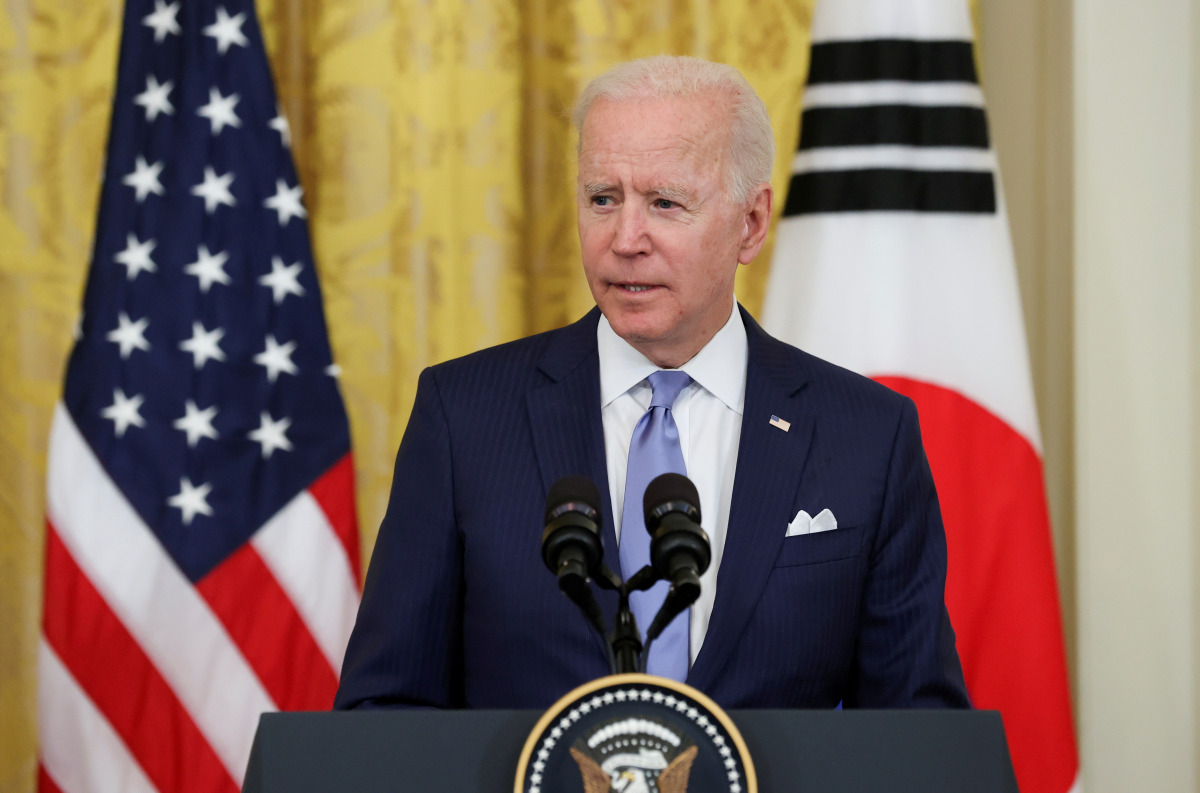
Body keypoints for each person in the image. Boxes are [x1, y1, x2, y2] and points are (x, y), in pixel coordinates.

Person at [334, 55, 969, 710]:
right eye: (602, 199)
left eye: (666, 203)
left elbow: (917, 732)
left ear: (751, 223)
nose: (625, 238)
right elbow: (384, 713)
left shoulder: (867, 434)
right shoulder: (463, 417)